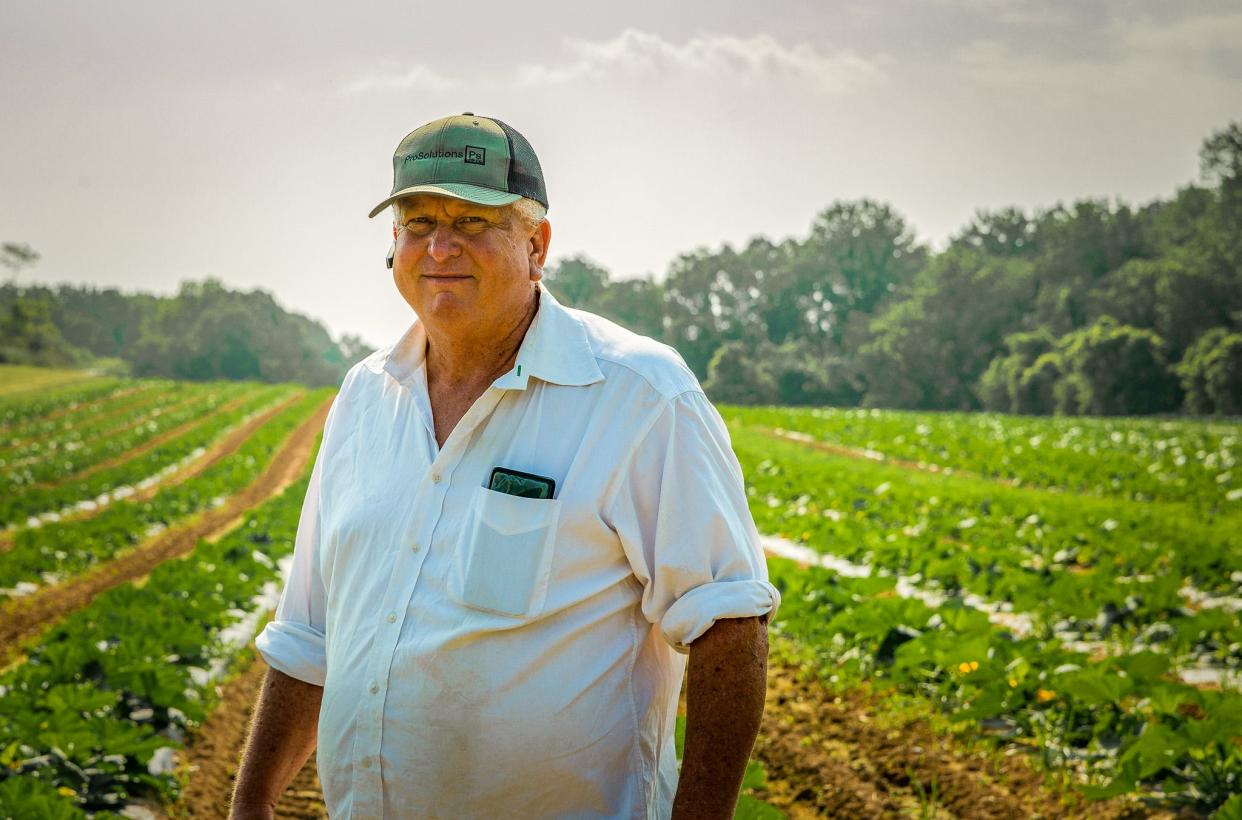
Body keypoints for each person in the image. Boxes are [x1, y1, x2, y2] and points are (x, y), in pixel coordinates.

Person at [230, 112, 779, 820]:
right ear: (392, 243)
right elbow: (311, 632)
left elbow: (729, 624)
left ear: (537, 244)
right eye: (418, 221)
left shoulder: (637, 395)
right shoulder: (367, 397)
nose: (440, 246)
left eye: (472, 220)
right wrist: (249, 803)